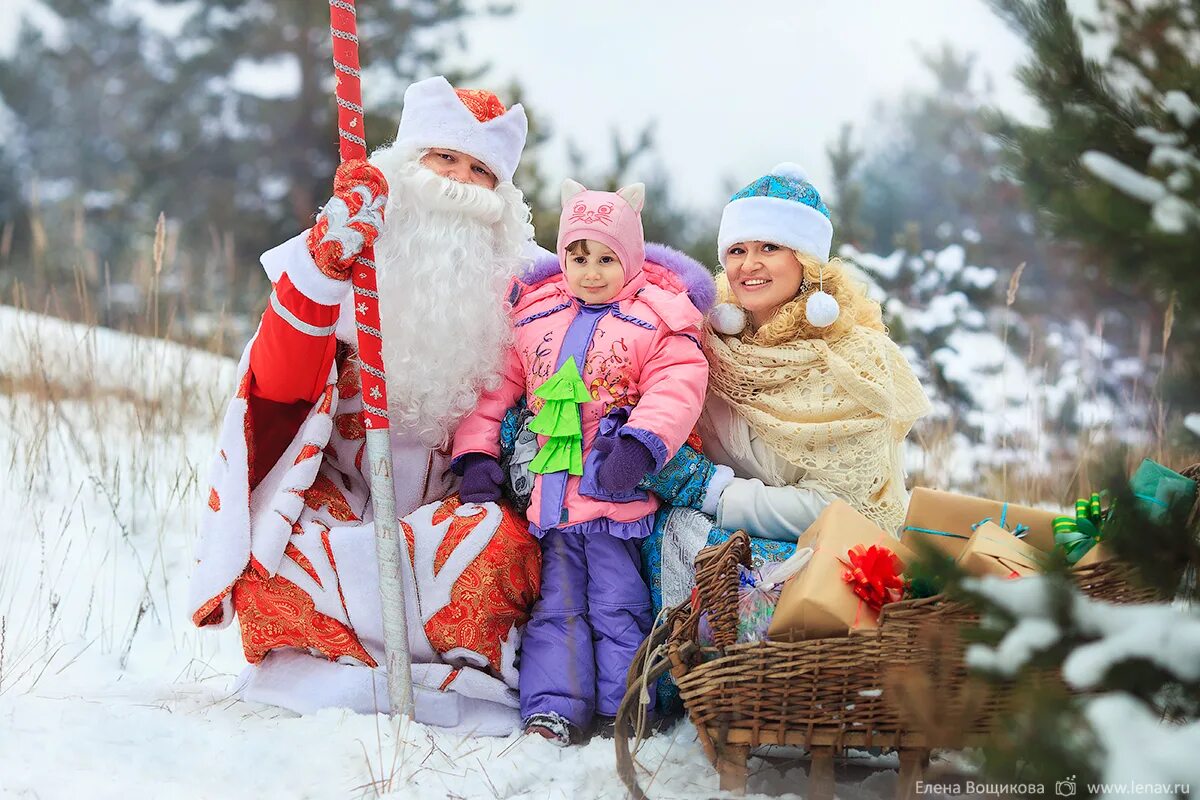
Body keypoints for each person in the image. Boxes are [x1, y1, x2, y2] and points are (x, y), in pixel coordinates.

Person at [188, 76, 548, 734]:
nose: (460, 182)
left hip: (462, 506)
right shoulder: (343, 251)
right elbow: (277, 385)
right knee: (276, 559)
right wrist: (324, 269)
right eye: (444, 159)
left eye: (479, 170)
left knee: (502, 552)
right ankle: (342, 667)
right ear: (406, 166)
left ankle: (430, 674)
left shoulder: (534, 289)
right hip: (348, 499)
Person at [642, 163, 931, 689]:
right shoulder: (711, 344)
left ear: (807, 260)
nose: (749, 265)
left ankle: (756, 690)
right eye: (736, 250)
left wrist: (711, 490)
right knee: (647, 528)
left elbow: (840, 511)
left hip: (832, 550)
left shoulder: (853, 359)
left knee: (713, 553)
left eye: (770, 248)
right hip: (736, 533)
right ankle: (678, 688)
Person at [452, 179, 714, 744]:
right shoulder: (536, 315)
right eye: (578, 256)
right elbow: (497, 386)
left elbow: (678, 383)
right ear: (562, 255)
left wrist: (642, 444)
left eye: (606, 258)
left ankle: (628, 705)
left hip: (614, 489)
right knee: (556, 604)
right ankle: (554, 707)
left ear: (633, 257)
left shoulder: (657, 317)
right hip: (548, 496)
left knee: (618, 603)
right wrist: (476, 451)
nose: (590, 272)